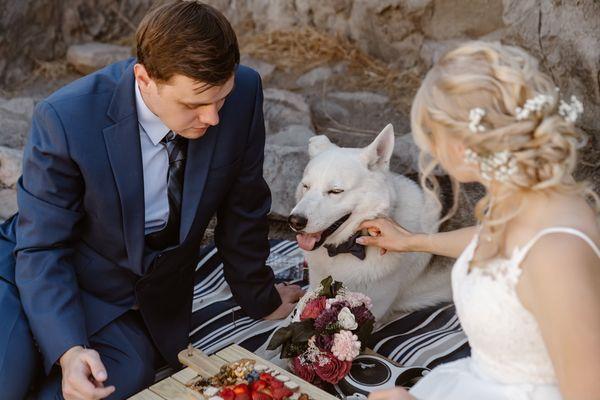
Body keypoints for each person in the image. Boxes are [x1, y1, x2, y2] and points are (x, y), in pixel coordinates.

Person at [0, 1, 303, 399]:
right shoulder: (63, 119)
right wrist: (69, 350)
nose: (213, 118)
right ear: (143, 78)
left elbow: (243, 209)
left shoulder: (245, 93)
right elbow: (42, 246)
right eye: (194, 104)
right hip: (34, 277)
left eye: (221, 99)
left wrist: (261, 297)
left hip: (120, 303)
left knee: (118, 380)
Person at [359, 41, 600, 399]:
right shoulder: (528, 196)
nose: (432, 152)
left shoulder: (557, 254)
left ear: (459, 145)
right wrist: (413, 241)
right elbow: (500, 241)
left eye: (433, 137)